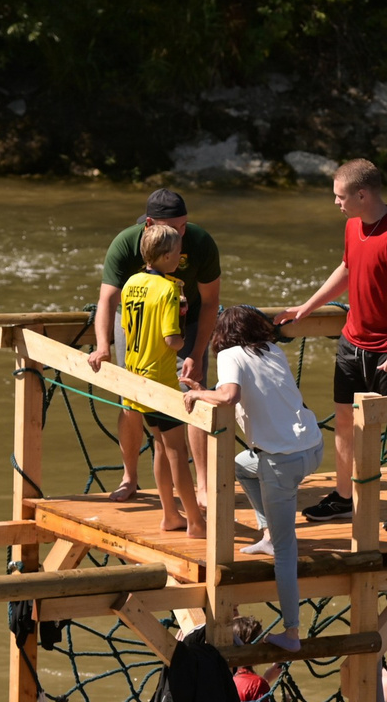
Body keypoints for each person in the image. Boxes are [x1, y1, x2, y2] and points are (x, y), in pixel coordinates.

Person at [277, 160, 387, 532]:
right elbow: (346, 269)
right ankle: (343, 497)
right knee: (344, 421)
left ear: (362, 194)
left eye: (340, 195)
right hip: (353, 344)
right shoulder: (351, 226)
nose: (336, 202)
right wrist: (307, 307)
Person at [181, 303, 324, 646]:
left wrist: (198, 392)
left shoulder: (230, 354)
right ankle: (268, 533)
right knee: (238, 466)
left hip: (281, 462)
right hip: (313, 448)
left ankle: (292, 631)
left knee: (288, 552)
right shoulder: (273, 350)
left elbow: (229, 396)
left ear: (223, 334)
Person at [93, 189, 222, 500]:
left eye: (184, 226)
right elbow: (108, 299)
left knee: (194, 393)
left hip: (185, 318)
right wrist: (102, 346)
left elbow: (210, 303)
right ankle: (129, 477)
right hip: (137, 318)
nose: (181, 234)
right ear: (149, 224)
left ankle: (202, 484)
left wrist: (196, 353)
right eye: (173, 228)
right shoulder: (126, 243)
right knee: (131, 398)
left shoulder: (200, 242)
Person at [93, 222, 203, 535]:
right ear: (168, 256)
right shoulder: (169, 289)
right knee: (177, 453)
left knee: (158, 444)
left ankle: (170, 515)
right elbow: (171, 340)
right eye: (178, 251)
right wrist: (184, 339)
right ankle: (195, 521)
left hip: (134, 373)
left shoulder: (131, 283)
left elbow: (126, 327)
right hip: (160, 379)